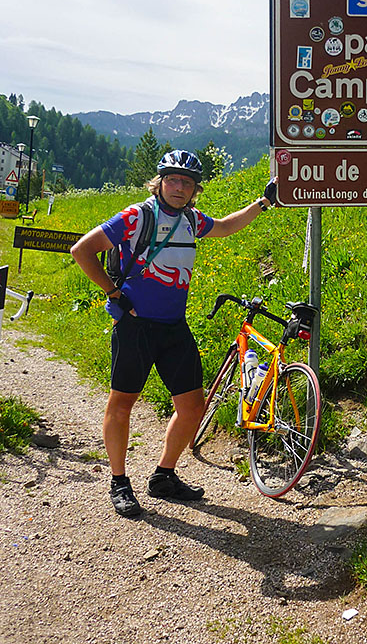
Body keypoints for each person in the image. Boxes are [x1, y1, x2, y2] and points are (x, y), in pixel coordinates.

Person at [70, 149, 277, 517]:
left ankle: (163, 476)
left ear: (195, 189)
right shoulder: (136, 217)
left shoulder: (192, 220)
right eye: (173, 180)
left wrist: (264, 202)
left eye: (187, 182)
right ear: (160, 181)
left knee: (193, 407)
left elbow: (227, 225)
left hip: (174, 327)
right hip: (136, 326)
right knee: (122, 403)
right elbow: (82, 250)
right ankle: (119, 481)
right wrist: (113, 292)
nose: (180, 187)